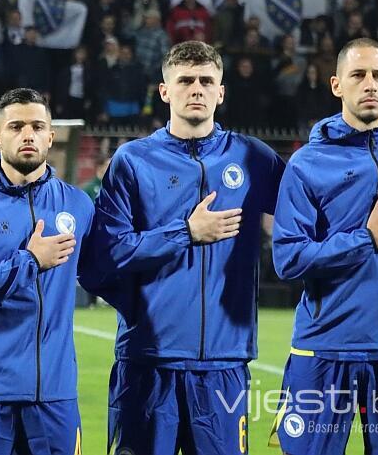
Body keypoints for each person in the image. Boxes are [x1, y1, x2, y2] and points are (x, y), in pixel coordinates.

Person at [92, 40, 287, 454]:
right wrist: (185, 232)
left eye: (206, 81)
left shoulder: (254, 158)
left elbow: (314, 197)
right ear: (165, 91)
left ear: (221, 92)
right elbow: (106, 254)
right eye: (185, 81)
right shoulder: (133, 161)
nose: (196, 89)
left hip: (223, 363)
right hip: (147, 363)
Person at [271, 38, 378, 453]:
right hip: (324, 349)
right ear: (336, 85)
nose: (370, 84)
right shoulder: (307, 164)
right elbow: (288, 258)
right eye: (358, 75)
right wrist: (367, 239)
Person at [0, 88, 95, 454]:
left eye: (37, 126)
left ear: (50, 136)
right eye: (16, 126)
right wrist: (30, 261)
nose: (28, 134)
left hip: (54, 394)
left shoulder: (77, 204)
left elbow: (105, 273)